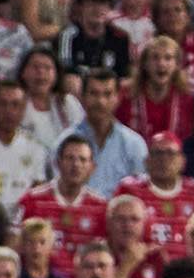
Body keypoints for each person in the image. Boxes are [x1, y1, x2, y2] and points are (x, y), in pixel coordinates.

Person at [17, 134, 110, 276]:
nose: (76, 165)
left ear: (92, 167)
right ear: (58, 162)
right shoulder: (33, 200)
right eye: (70, 158)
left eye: (82, 159)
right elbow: (15, 246)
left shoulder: (101, 207)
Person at [60, 67, 149, 196]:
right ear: (83, 96)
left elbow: (141, 192)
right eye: (94, 93)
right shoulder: (65, 141)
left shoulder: (134, 144)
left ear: (118, 98)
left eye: (107, 94)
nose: (100, 101)